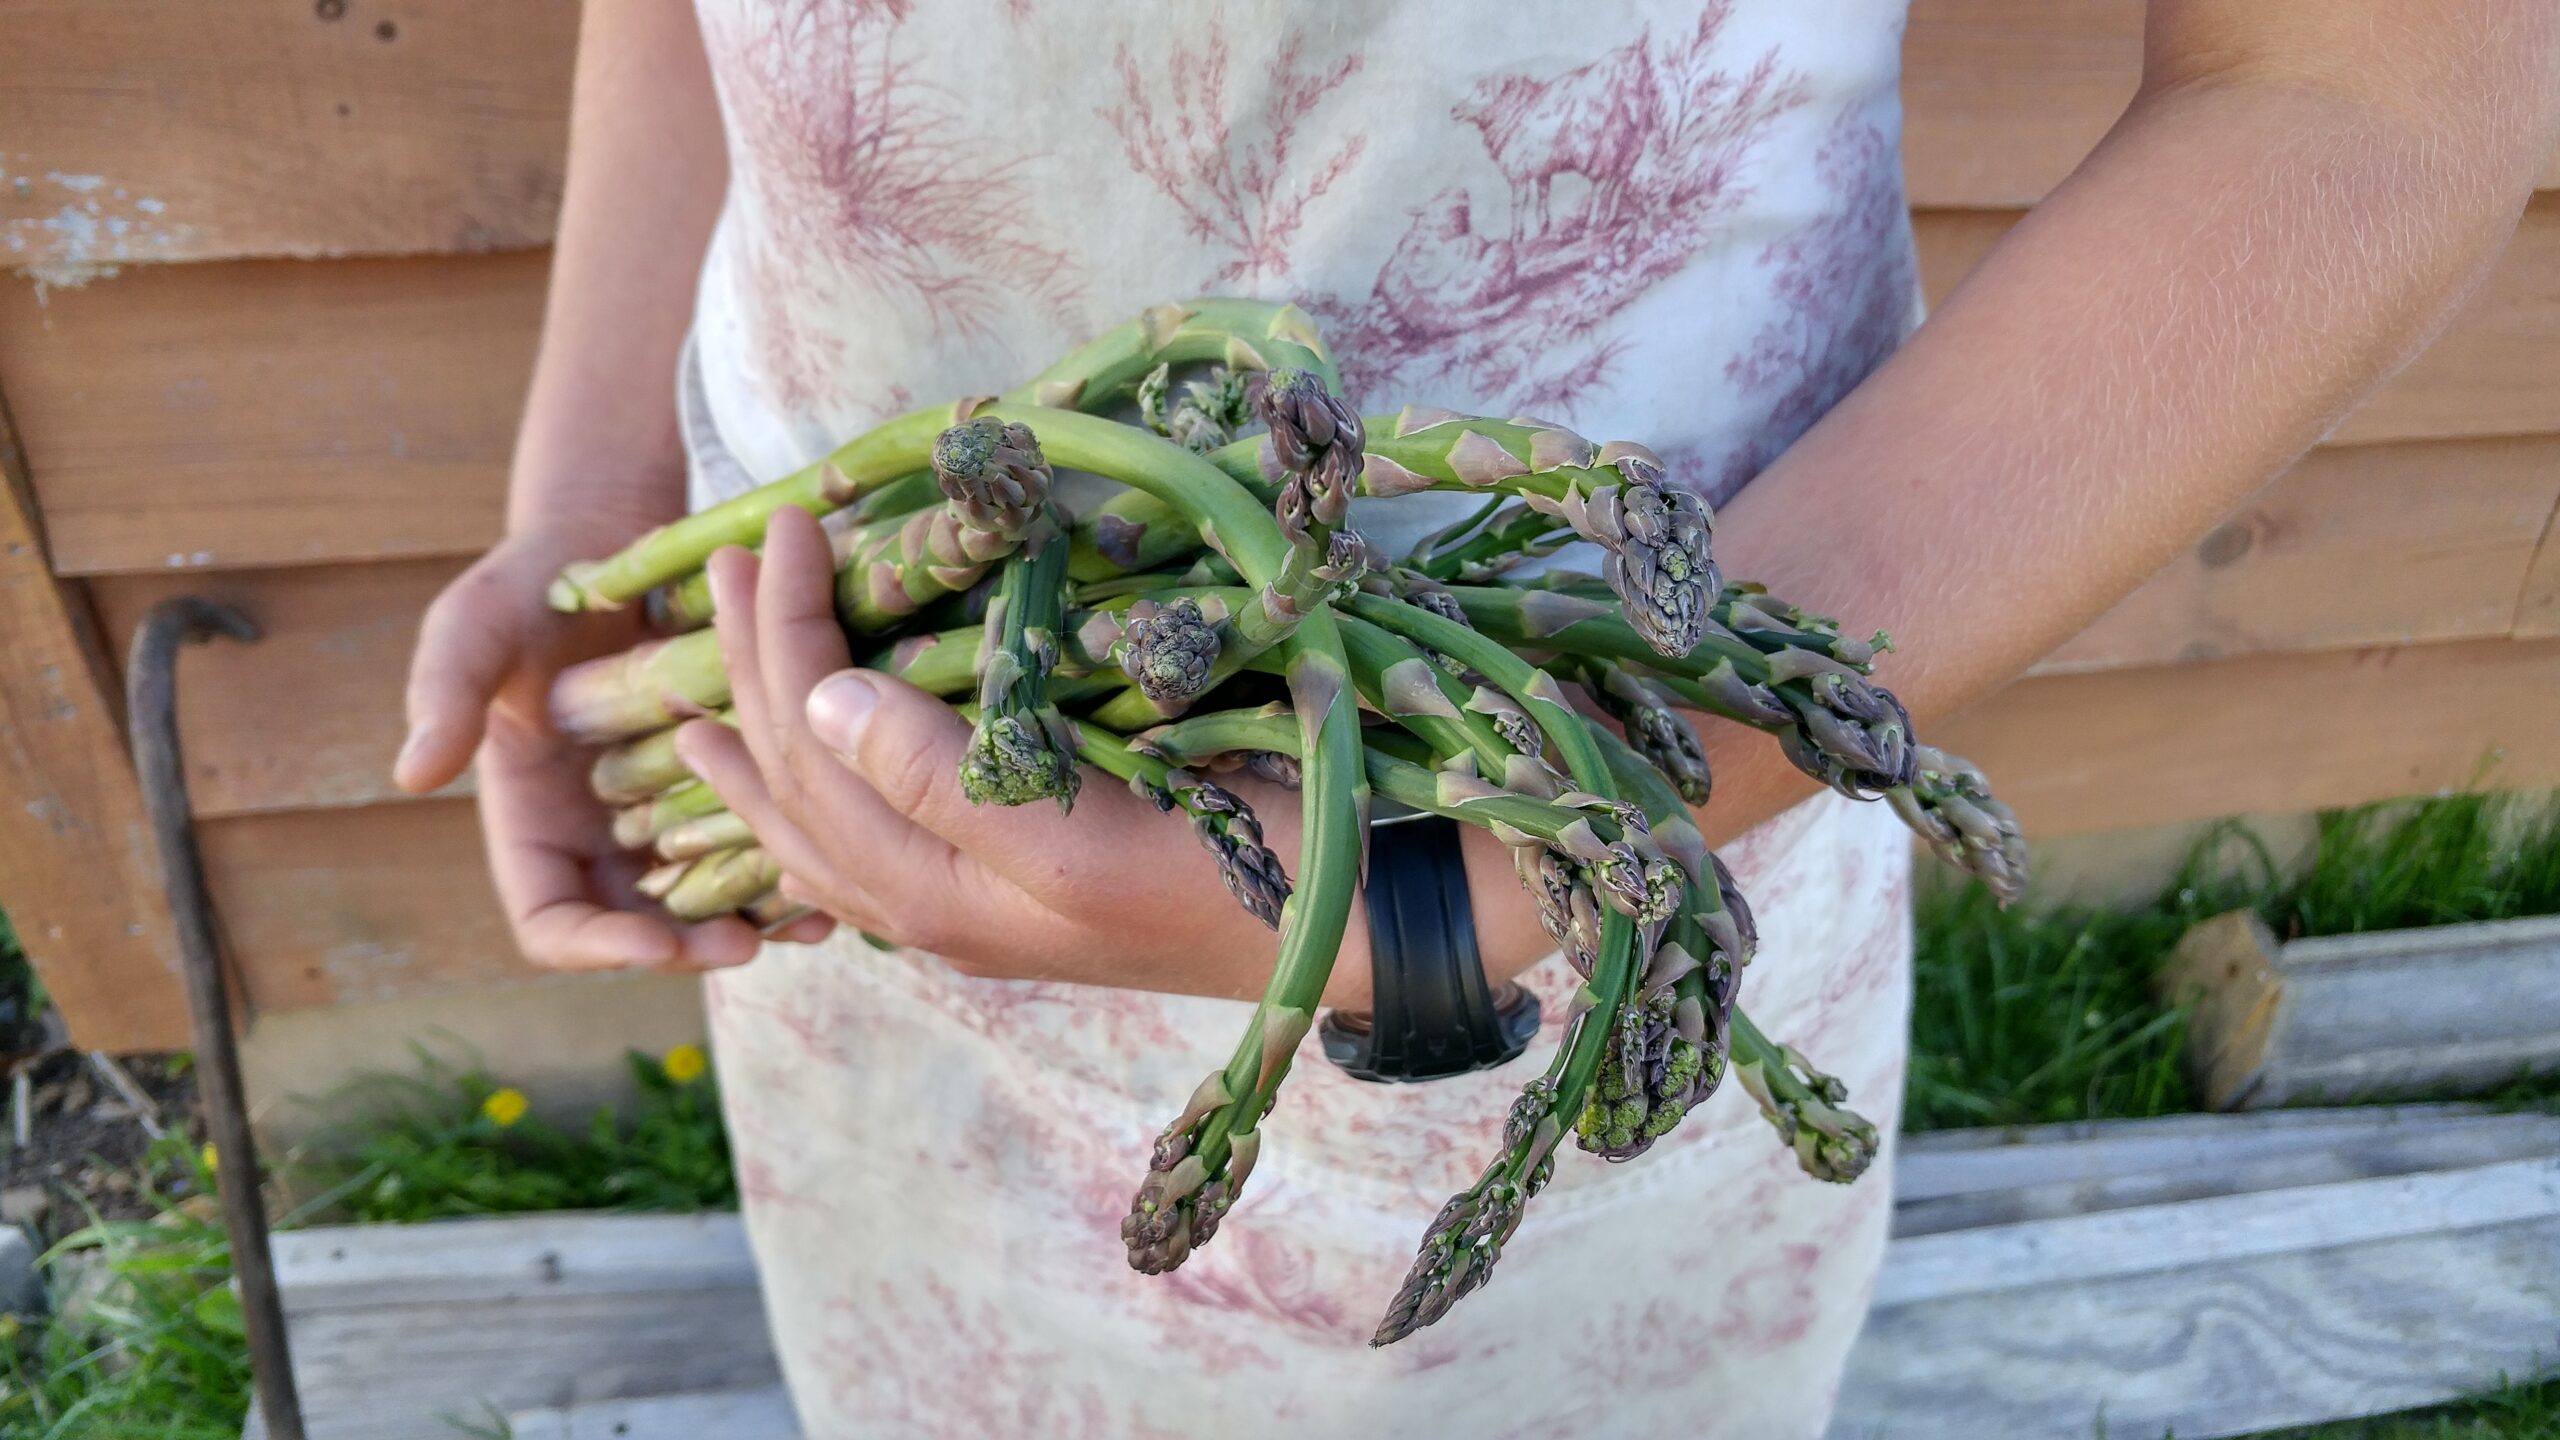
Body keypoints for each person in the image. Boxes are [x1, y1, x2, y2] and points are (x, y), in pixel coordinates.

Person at [394, 2, 2560, 1433]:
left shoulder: (1596, 788)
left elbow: (2369, 73)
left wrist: (1517, 863)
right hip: (848, 707)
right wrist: (599, 501)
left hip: (1609, 732)